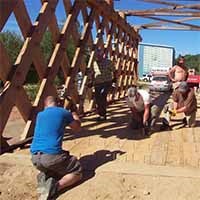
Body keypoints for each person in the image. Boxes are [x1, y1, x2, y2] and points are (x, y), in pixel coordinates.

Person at [30, 96, 82, 200]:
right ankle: (55, 187)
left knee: (53, 165)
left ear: (45, 105)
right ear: (58, 103)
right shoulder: (63, 112)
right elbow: (77, 128)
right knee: (77, 172)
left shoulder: (40, 115)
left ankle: (45, 176)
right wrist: (74, 112)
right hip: (51, 156)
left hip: (34, 157)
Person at [90, 48, 117, 121]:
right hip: (97, 83)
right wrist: (91, 82)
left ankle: (103, 114)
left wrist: (114, 79)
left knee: (103, 96)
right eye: (96, 55)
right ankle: (101, 114)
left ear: (102, 55)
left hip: (107, 82)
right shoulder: (94, 63)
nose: (97, 56)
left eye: (99, 55)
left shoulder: (108, 62)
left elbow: (114, 71)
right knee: (98, 99)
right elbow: (93, 73)